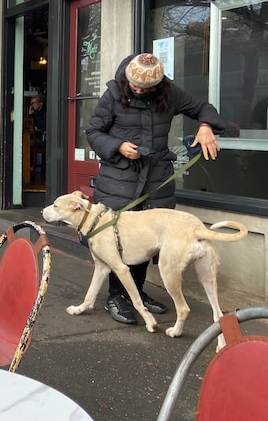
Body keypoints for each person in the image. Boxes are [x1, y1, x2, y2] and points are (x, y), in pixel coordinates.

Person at [86, 53, 225, 325]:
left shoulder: (170, 93)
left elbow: (202, 107)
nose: (137, 89)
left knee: (147, 240)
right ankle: (116, 297)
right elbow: (93, 132)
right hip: (119, 178)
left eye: (144, 87)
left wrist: (207, 126)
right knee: (117, 239)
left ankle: (137, 292)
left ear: (158, 85)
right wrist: (118, 147)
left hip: (155, 178)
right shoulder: (114, 93)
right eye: (134, 84)